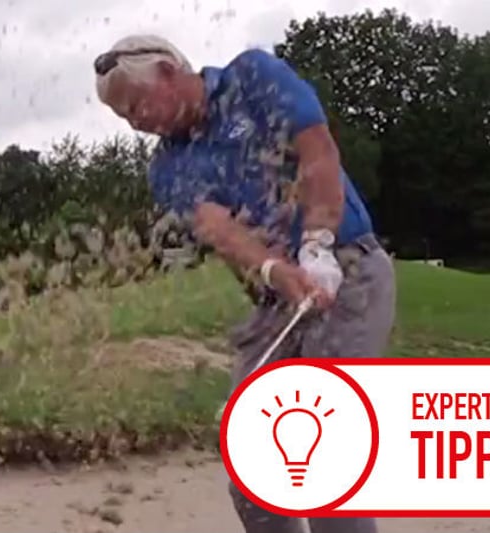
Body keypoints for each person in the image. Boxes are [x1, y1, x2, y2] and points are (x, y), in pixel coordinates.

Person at [92, 34, 396, 533]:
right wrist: (275, 270)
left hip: (348, 272)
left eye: (137, 105)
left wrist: (317, 242)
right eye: (124, 117)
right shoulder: (166, 167)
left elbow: (318, 152)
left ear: (168, 72)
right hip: (275, 301)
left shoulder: (252, 78)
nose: (136, 123)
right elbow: (220, 230)